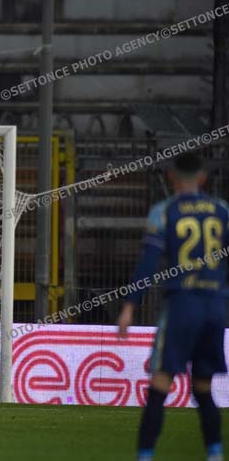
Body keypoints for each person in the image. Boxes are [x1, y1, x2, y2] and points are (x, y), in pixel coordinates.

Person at [117, 152, 229, 461]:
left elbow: (148, 263)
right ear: (203, 178)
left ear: (171, 176)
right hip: (215, 307)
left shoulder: (164, 212)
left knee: (160, 385)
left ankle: (145, 455)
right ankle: (215, 454)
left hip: (182, 305)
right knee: (203, 388)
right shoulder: (222, 210)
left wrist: (129, 306)